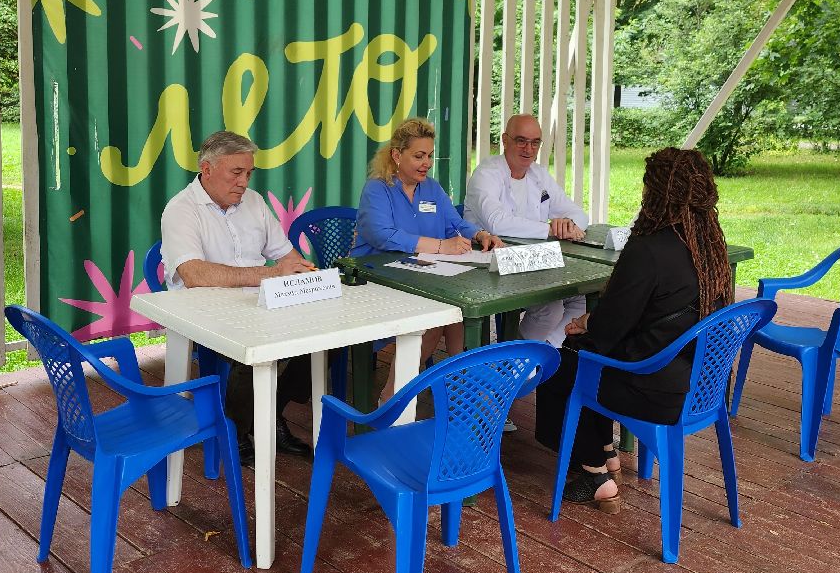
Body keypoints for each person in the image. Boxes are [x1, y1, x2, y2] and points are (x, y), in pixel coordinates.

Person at [534, 147, 732, 513]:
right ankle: (607, 452)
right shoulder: (709, 246)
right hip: (701, 382)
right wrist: (591, 325)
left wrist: (586, 324)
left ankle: (596, 475)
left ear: (655, 192)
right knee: (586, 351)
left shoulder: (648, 249)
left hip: (655, 387)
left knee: (563, 363)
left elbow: (607, 331)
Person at [161, 130, 318, 464]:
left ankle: (270, 411)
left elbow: (287, 256)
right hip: (205, 312)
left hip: (258, 304)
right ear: (207, 169)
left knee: (324, 339)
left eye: (249, 173)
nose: (244, 182)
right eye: (236, 172)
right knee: (256, 347)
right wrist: (271, 274)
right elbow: (195, 275)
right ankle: (235, 429)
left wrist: (306, 273)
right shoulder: (180, 209)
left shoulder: (254, 202)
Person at [351, 116, 503, 401]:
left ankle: (461, 391)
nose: (427, 163)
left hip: (420, 276)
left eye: (430, 156)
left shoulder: (431, 188)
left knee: (459, 308)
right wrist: (441, 246)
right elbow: (382, 235)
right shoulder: (377, 188)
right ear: (397, 155)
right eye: (419, 156)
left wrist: (480, 234)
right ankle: (395, 395)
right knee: (438, 314)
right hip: (374, 280)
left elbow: (454, 223)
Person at [464, 113, 589, 348]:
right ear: (505, 140)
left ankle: (544, 353)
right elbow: (497, 223)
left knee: (581, 297)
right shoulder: (487, 173)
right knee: (550, 307)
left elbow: (579, 214)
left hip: (534, 262)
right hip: (489, 265)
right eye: (521, 141)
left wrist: (568, 225)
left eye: (535, 142)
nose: (528, 149)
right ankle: (519, 361)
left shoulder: (538, 174)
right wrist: (551, 229)